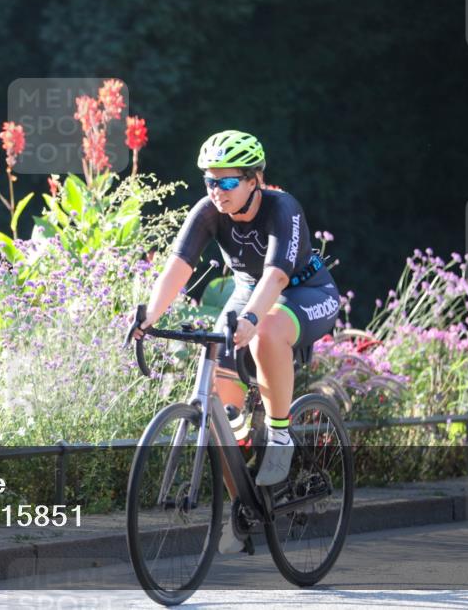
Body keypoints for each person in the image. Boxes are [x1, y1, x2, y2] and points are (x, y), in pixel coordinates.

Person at [130, 129, 340, 554]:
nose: (217, 191)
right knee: (220, 409)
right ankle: (242, 508)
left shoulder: (284, 209)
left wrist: (249, 318)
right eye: (210, 181)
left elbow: (277, 276)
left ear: (254, 180)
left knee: (264, 332)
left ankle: (280, 435)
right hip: (249, 290)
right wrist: (147, 317)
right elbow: (177, 267)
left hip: (305, 291)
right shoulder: (208, 211)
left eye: (227, 181)